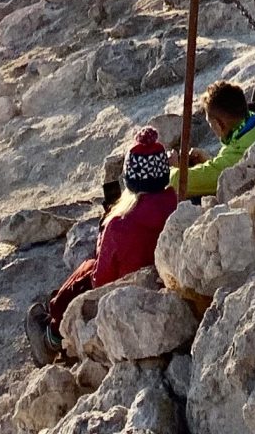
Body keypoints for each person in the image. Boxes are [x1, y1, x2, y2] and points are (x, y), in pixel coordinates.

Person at [30, 127, 180, 360]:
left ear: (130, 180)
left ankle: (52, 339)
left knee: (86, 272)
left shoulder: (120, 225)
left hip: (120, 300)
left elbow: (101, 280)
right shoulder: (176, 205)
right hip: (160, 288)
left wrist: (103, 236)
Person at [173, 79, 255, 197]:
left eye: (211, 124)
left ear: (219, 124)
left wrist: (169, 169)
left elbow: (182, 182)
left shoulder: (239, 153)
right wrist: (208, 161)